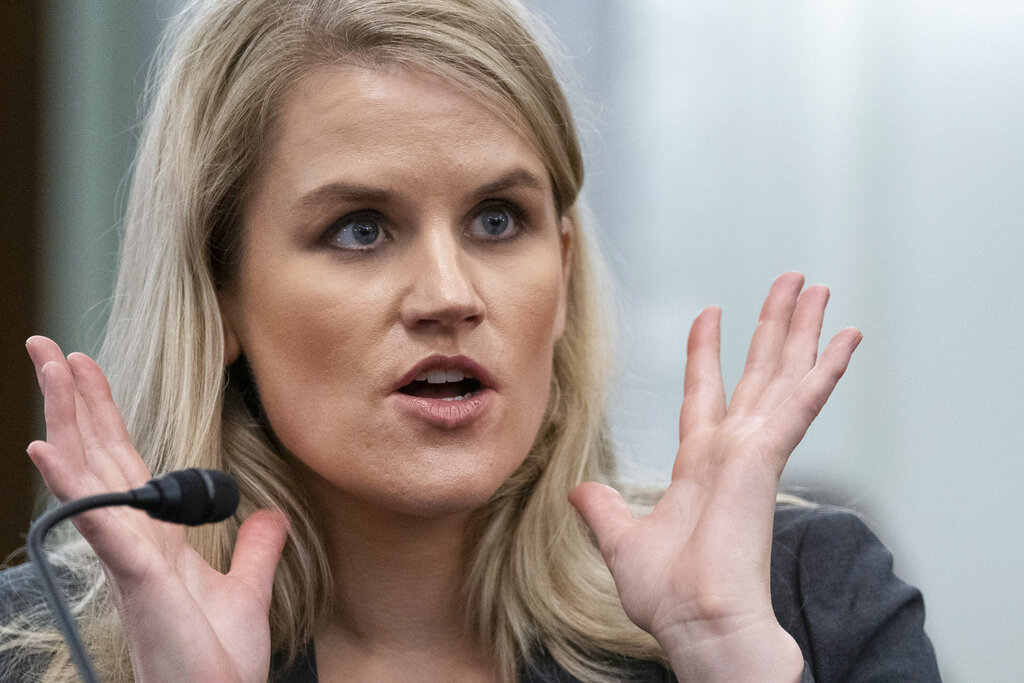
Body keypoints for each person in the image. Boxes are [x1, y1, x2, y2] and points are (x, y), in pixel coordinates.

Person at [0, 0, 940, 681]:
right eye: (360, 228)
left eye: (498, 220)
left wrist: (723, 652)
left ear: (563, 271)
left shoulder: (805, 604)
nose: (451, 296)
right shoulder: (48, 654)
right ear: (222, 295)